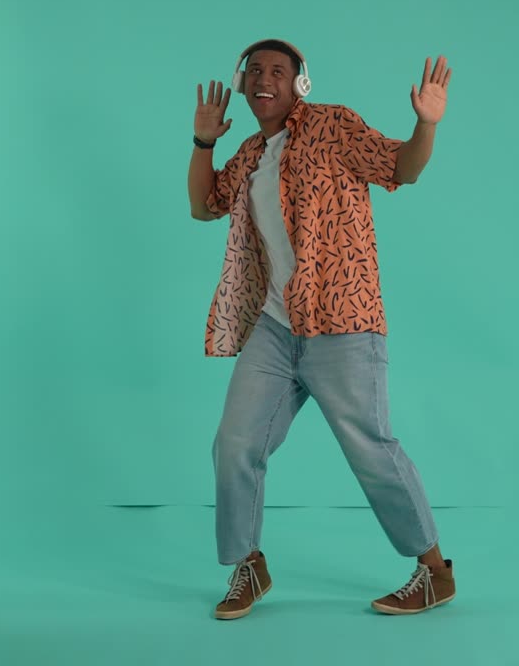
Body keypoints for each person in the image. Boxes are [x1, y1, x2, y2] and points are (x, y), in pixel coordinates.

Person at [186, 38, 454, 620]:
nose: (265, 79)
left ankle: (434, 573)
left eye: (279, 71)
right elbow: (204, 205)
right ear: (243, 83)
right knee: (234, 444)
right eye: (256, 71)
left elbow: (402, 168)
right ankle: (248, 566)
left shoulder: (333, 126)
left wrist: (426, 125)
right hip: (275, 329)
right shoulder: (251, 153)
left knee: (371, 450)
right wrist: (204, 142)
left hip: (342, 321)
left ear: (299, 84)